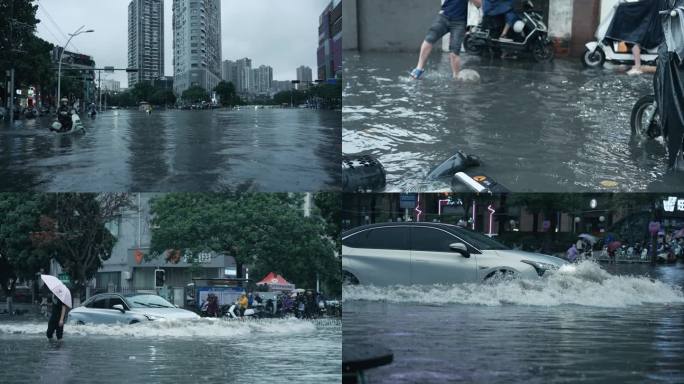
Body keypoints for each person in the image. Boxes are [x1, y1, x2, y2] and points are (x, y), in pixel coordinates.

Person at [411, 0, 482, 80]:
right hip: (444, 16)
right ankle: (418, 69)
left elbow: (479, 4)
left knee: (454, 51)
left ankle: (456, 77)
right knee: (429, 39)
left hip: (460, 22)